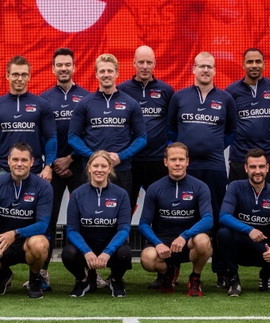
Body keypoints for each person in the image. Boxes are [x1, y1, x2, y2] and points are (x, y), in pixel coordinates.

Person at [166, 51, 236, 286]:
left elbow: (231, 133)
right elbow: (172, 132)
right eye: (201, 66)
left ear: (215, 70)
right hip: (187, 168)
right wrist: (186, 155)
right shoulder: (179, 97)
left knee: (215, 217)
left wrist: (213, 148)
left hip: (214, 166)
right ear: (193, 69)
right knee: (183, 214)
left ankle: (220, 270)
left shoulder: (225, 99)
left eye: (210, 66)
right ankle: (173, 267)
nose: (205, 70)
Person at [38, 48, 91, 288]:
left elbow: (90, 135)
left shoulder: (88, 97)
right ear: (53, 69)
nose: (63, 68)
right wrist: (53, 162)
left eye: (67, 64)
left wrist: (70, 158)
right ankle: (42, 271)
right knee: (46, 220)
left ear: (74, 67)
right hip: (51, 169)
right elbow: (40, 135)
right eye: (59, 65)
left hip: (80, 166)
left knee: (86, 220)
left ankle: (90, 271)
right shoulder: (43, 99)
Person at [0, 143, 54, 299]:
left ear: (32, 162)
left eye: (24, 160)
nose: (19, 164)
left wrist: (15, 233)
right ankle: (4, 275)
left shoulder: (43, 187)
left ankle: (35, 279)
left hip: (28, 241)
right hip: (4, 242)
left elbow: (43, 225)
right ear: (8, 161)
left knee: (39, 244)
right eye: (15, 159)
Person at [138, 143, 213, 297]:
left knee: (203, 242)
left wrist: (185, 236)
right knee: (147, 259)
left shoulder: (200, 187)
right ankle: (169, 273)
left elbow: (208, 219)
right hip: (163, 243)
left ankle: (195, 278)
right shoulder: (155, 188)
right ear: (166, 162)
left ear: (187, 161)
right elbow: (143, 224)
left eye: (181, 159)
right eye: (173, 159)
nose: (177, 163)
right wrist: (157, 243)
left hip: (189, 242)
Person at [68, 53, 147, 200]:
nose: (106, 75)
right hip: (92, 171)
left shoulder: (131, 103)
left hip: (121, 170)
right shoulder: (84, 104)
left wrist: (121, 157)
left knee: (121, 217)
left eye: (110, 71)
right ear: (96, 74)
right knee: (89, 215)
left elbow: (142, 138)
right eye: (102, 71)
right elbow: (72, 137)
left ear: (117, 73)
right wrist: (93, 157)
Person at [217, 149, 270, 296]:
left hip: (264, 247)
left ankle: (265, 275)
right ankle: (233, 279)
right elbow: (224, 216)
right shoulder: (235, 187)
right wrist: (249, 230)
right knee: (223, 233)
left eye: (261, 167)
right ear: (246, 168)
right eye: (253, 167)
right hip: (242, 244)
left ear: (267, 168)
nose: (257, 171)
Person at [63, 150, 132, 298]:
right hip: (86, 247)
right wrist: (87, 251)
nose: (99, 170)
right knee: (68, 253)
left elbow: (124, 228)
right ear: (89, 168)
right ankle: (83, 280)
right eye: (95, 166)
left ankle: (115, 280)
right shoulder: (77, 194)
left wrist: (107, 252)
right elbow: (72, 229)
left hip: (111, 247)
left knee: (124, 254)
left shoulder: (121, 194)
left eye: (103, 166)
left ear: (110, 168)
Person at [0, 56, 57, 185]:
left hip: (34, 170)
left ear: (29, 77)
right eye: (15, 74)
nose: (20, 79)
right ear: (7, 75)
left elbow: (51, 138)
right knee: (2, 206)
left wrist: (48, 166)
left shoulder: (42, 105)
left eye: (24, 74)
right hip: (3, 170)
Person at [225, 47, 270, 189]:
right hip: (240, 157)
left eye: (258, 61)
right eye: (250, 62)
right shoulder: (231, 91)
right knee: (238, 202)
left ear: (264, 64)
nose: (254, 65)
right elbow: (226, 125)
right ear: (243, 65)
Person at [118, 45, 175, 204]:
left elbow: (172, 125)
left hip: (157, 160)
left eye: (148, 62)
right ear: (133, 63)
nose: (144, 66)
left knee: (161, 207)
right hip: (130, 160)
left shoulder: (166, 90)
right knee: (125, 206)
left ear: (154, 64)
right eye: (141, 62)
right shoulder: (122, 90)